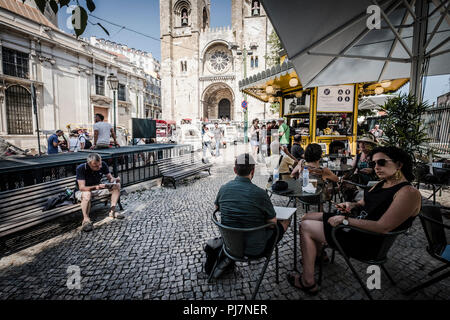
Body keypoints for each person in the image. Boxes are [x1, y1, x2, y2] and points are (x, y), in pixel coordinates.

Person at [290, 146, 421, 295]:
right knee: (306, 217)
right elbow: (363, 203)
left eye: (381, 162)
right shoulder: (382, 183)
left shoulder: (408, 192)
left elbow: (382, 227)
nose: (376, 167)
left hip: (366, 240)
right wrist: (350, 205)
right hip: (354, 226)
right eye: (373, 164)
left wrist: (345, 220)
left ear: (399, 164)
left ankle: (307, 281)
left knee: (306, 226)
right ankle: (319, 255)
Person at [215, 153, 290, 257]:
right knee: (285, 221)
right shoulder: (260, 194)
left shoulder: (223, 189)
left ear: (235, 170)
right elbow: (272, 224)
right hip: (255, 249)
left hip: (230, 245)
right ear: (253, 171)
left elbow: (217, 208)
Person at [75, 153, 124, 232]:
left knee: (117, 186)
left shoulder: (103, 164)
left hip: (97, 188)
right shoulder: (81, 168)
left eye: (100, 164)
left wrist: (115, 180)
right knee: (87, 194)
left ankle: (112, 211)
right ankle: (86, 220)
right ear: (89, 164)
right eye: (96, 166)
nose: (99, 167)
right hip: (82, 191)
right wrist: (96, 187)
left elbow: (110, 178)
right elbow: (82, 187)